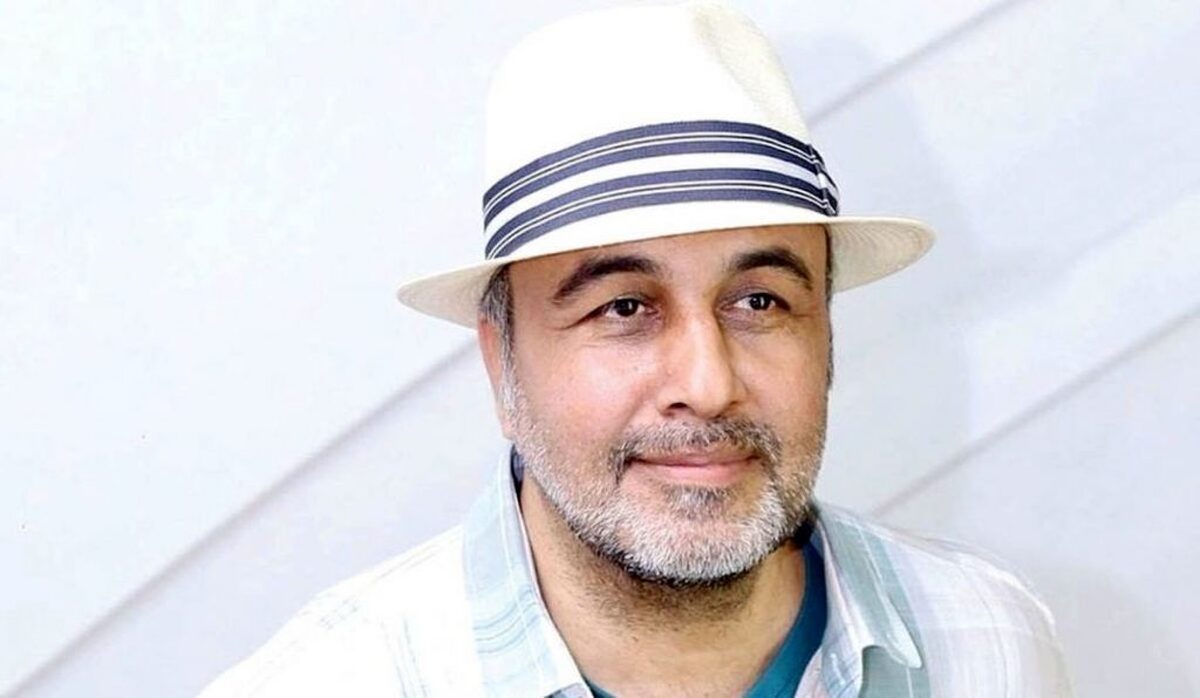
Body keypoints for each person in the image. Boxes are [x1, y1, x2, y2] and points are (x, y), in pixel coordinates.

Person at [201, 2, 1073, 696]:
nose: (707, 383)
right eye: (624, 307)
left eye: (760, 301)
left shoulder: (989, 646)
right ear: (502, 365)